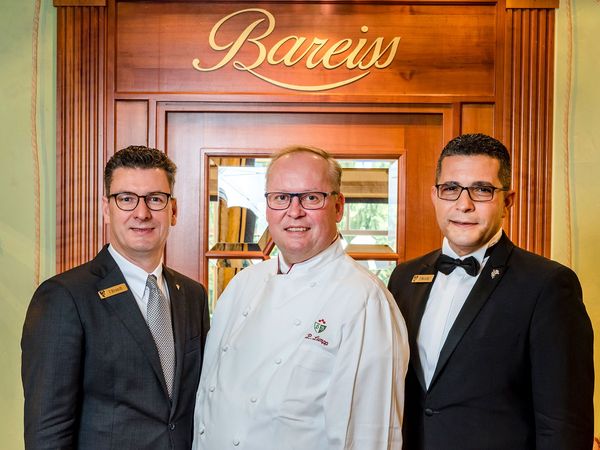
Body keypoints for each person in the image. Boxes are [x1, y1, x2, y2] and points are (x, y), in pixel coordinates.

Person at [192, 145, 409, 450]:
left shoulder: (364, 300)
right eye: (281, 197)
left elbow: (367, 436)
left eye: (311, 197)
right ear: (267, 206)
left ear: (338, 206)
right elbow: (207, 403)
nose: (295, 212)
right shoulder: (242, 285)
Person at [387, 133, 594, 450]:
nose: (463, 205)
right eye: (451, 189)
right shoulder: (404, 277)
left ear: (507, 201)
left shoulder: (548, 284)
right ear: (435, 195)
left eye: (482, 190)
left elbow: (564, 423)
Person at [21, 145, 210, 450]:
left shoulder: (192, 295)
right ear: (106, 210)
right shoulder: (64, 297)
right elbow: (47, 431)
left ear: (173, 211)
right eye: (126, 199)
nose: (142, 213)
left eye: (155, 199)